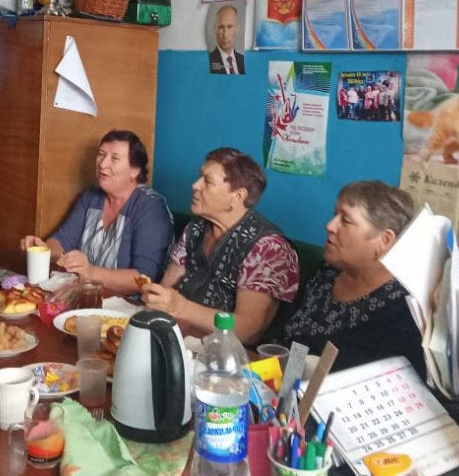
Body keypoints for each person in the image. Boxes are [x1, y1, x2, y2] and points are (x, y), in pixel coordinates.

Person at [140, 147, 299, 344]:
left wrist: (180, 308)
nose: (195, 185)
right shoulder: (197, 227)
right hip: (176, 337)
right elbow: (167, 286)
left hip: (226, 353)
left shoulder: (268, 246)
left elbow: (249, 329)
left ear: (237, 196)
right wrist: (157, 300)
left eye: (207, 181)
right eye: (200, 177)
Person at [282, 180, 426, 378]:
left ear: (384, 240)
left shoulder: (402, 309)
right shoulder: (327, 273)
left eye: (346, 221)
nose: (330, 226)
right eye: (335, 215)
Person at [20, 130, 172, 293]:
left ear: (135, 170)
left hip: (128, 303)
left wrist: (91, 273)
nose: (102, 164)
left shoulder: (150, 207)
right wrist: (43, 250)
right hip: (87, 294)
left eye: (114, 158)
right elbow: (63, 240)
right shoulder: (91, 197)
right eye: (101, 154)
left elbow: (145, 277)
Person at [208, 4, 246, 75]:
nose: (225, 35)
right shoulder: (208, 62)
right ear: (215, 29)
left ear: (237, 28)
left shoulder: (243, 60)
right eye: (221, 27)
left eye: (229, 27)